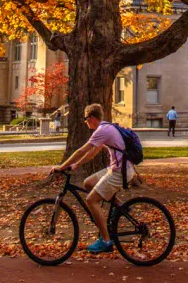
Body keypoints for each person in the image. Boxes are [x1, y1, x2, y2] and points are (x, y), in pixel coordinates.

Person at [51, 103, 136, 254]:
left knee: (91, 200)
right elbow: (93, 152)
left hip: (119, 172)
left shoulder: (102, 130)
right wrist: (76, 165)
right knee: (88, 183)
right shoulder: (106, 128)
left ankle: (106, 241)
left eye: (86, 119)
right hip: (118, 168)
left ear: (91, 118)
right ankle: (119, 207)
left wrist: (61, 167)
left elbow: (82, 150)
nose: (85, 122)